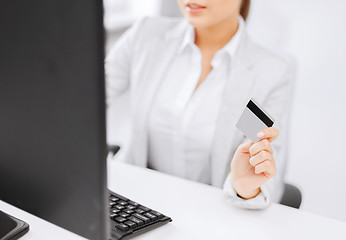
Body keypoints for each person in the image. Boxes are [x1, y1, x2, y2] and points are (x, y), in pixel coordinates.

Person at [105, 0, 294, 209]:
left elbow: (263, 162)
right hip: (134, 201)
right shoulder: (147, 35)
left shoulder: (268, 72)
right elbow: (87, 97)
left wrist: (245, 188)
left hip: (211, 212)